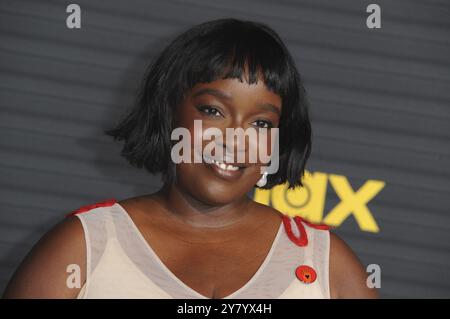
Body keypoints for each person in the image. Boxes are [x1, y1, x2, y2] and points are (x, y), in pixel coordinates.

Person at [3, 18, 378, 299]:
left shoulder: (326, 263)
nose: (236, 139)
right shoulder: (84, 245)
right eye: (213, 111)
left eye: (261, 123)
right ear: (169, 113)